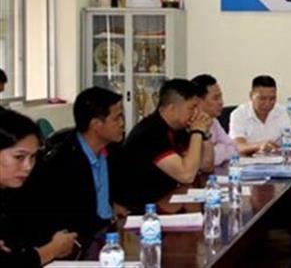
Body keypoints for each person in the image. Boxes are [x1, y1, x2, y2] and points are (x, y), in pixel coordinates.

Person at [24, 87, 126, 245]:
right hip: (77, 243)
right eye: (117, 118)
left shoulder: (112, 149)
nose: (122, 123)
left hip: (108, 232)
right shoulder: (61, 163)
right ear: (96, 124)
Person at [115, 79, 213, 210]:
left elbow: (206, 165)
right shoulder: (150, 132)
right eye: (191, 108)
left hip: (167, 199)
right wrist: (197, 132)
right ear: (172, 109)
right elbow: (186, 175)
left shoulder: (178, 128)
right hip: (141, 209)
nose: (196, 113)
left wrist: (205, 134)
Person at [0, 109, 77, 267]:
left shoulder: (17, 190)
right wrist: (52, 250)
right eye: (19, 157)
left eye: (33, 156)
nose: (28, 166)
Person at [229, 75, 291, 156]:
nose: (267, 103)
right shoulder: (239, 114)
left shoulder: (281, 111)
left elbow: (289, 137)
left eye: (272, 98)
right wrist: (259, 146)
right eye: (262, 99)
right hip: (247, 161)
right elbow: (238, 146)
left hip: (275, 161)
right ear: (251, 95)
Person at [191, 74, 237, 165]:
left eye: (221, 96)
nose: (221, 102)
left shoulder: (213, 120)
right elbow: (203, 161)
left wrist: (216, 149)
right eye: (216, 98)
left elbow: (234, 149)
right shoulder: (190, 123)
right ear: (198, 101)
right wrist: (221, 148)